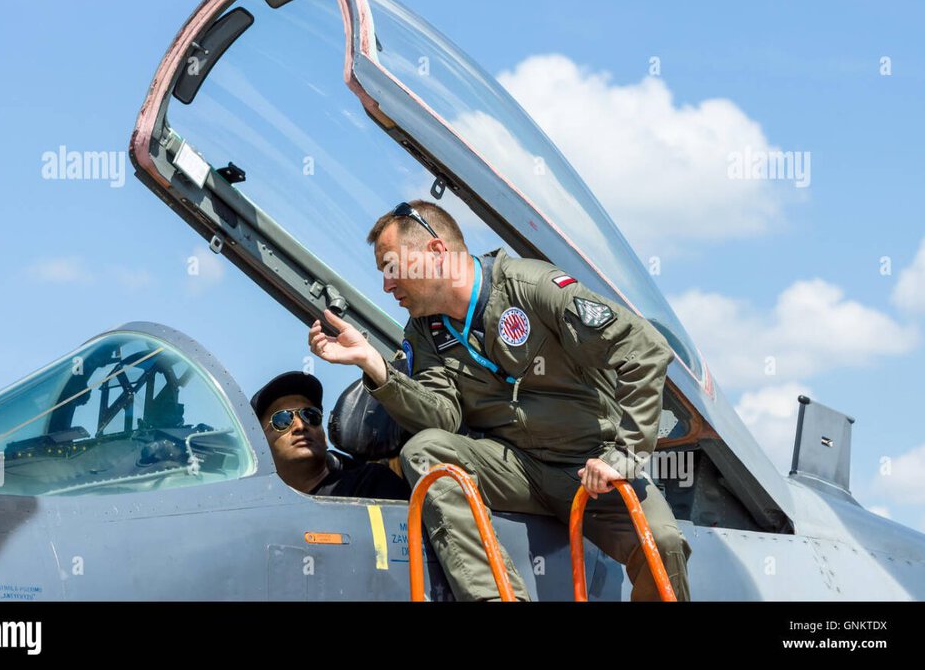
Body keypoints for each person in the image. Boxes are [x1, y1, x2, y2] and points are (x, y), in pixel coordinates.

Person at [307, 200, 691, 601]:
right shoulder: (426, 331)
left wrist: (624, 456)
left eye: (391, 268)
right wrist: (375, 365)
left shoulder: (531, 288)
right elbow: (442, 415)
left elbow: (644, 349)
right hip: (514, 468)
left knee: (661, 543)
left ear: (435, 253)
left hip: (587, 468)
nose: (387, 285)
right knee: (426, 451)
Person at [251, 371, 410, 500]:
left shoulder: (370, 485)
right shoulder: (256, 511)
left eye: (311, 415)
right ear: (261, 444)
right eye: (283, 419)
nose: (300, 426)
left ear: (325, 437)